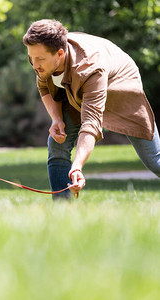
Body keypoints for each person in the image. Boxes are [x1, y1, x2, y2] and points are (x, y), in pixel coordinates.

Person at [22, 19, 160, 199]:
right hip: (76, 89)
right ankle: (61, 209)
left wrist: (77, 166)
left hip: (120, 84)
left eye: (39, 59)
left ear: (60, 54)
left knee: (155, 160)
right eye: (31, 58)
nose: (34, 64)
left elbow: (91, 123)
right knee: (57, 143)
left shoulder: (89, 68)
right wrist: (56, 119)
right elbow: (44, 87)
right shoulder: (40, 55)